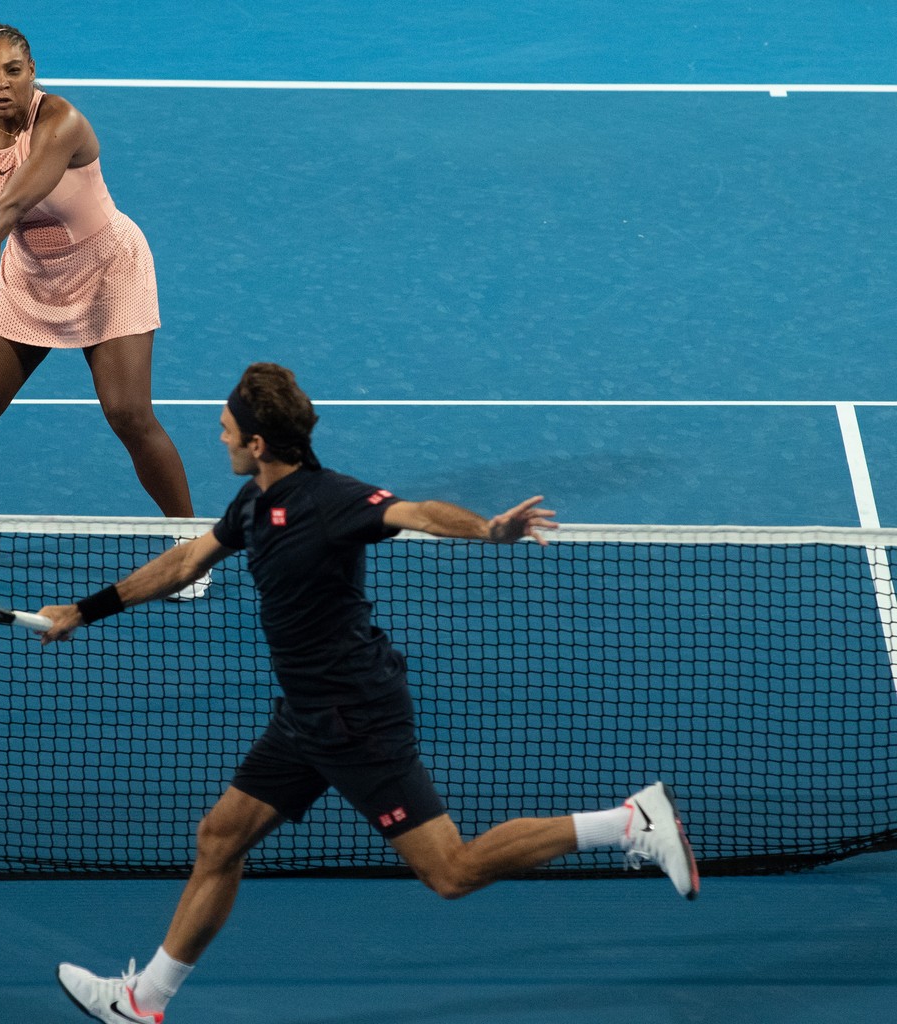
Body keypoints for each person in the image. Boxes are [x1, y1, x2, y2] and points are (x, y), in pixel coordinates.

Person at [37, 362, 699, 1023]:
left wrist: (488, 531)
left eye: (226, 430)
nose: (221, 440)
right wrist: (85, 609)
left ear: (258, 444)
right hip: (305, 717)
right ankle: (143, 1002)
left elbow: (414, 512)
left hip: (356, 718)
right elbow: (184, 562)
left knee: (452, 871)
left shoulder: (331, 502)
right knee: (221, 837)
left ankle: (630, 822)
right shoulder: (250, 504)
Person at [0, 24, 204, 596]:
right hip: (31, 275)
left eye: (14, 70)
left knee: (129, 415)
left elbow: (11, 206)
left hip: (110, 269)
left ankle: (191, 550)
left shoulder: (61, 121)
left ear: (32, 71)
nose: (2, 83)